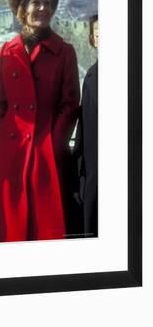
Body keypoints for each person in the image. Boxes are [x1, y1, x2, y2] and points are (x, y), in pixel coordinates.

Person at [0, 0, 81, 243]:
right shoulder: (7, 51)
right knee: (7, 230)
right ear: (23, 8)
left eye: (48, 3)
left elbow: (70, 103)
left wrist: (53, 140)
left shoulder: (64, 52)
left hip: (46, 155)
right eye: (36, 2)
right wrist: (1, 141)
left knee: (44, 231)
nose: (43, 9)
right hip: (10, 156)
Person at [76, 15, 98, 237]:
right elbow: (84, 126)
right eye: (99, 35)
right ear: (92, 39)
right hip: (94, 171)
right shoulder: (91, 77)